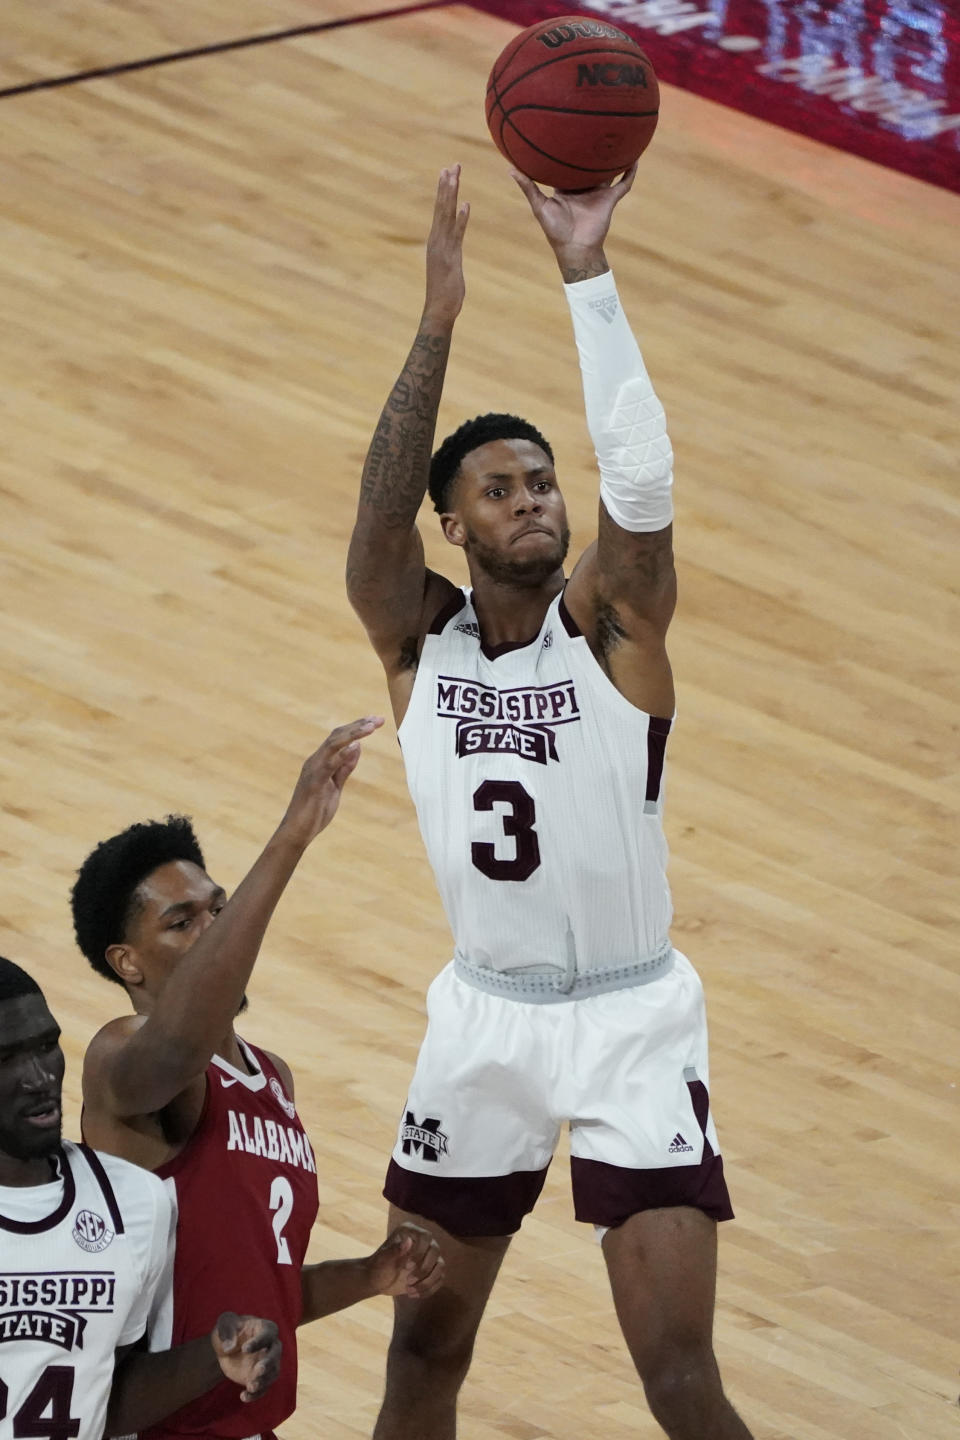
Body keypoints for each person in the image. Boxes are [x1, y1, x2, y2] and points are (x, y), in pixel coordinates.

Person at [345, 164, 753, 1440]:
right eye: (500, 491)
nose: (534, 502)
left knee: (679, 1377)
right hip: (486, 1023)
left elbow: (643, 491)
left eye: (541, 485)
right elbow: (369, 526)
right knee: (421, 1357)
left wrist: (588, 274)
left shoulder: (615, 624)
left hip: (635, 1018)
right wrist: (437, 317)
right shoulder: (421, 643)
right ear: (454, 528)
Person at [72, 719, 444, 1440]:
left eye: (219, 907)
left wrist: (370, 1276)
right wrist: (291, 839)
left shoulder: (272, 1079)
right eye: (183, 923)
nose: (215, 928)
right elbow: (179, 1045)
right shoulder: (121, 1060)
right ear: (127, 964)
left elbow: (257, 1296)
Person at [0, 954, 283, 1440]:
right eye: (5, 1059)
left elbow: (106, 1391)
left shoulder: (132, 1201)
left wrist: (214, 1358)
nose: (40, 1078)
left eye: (47, 1046)